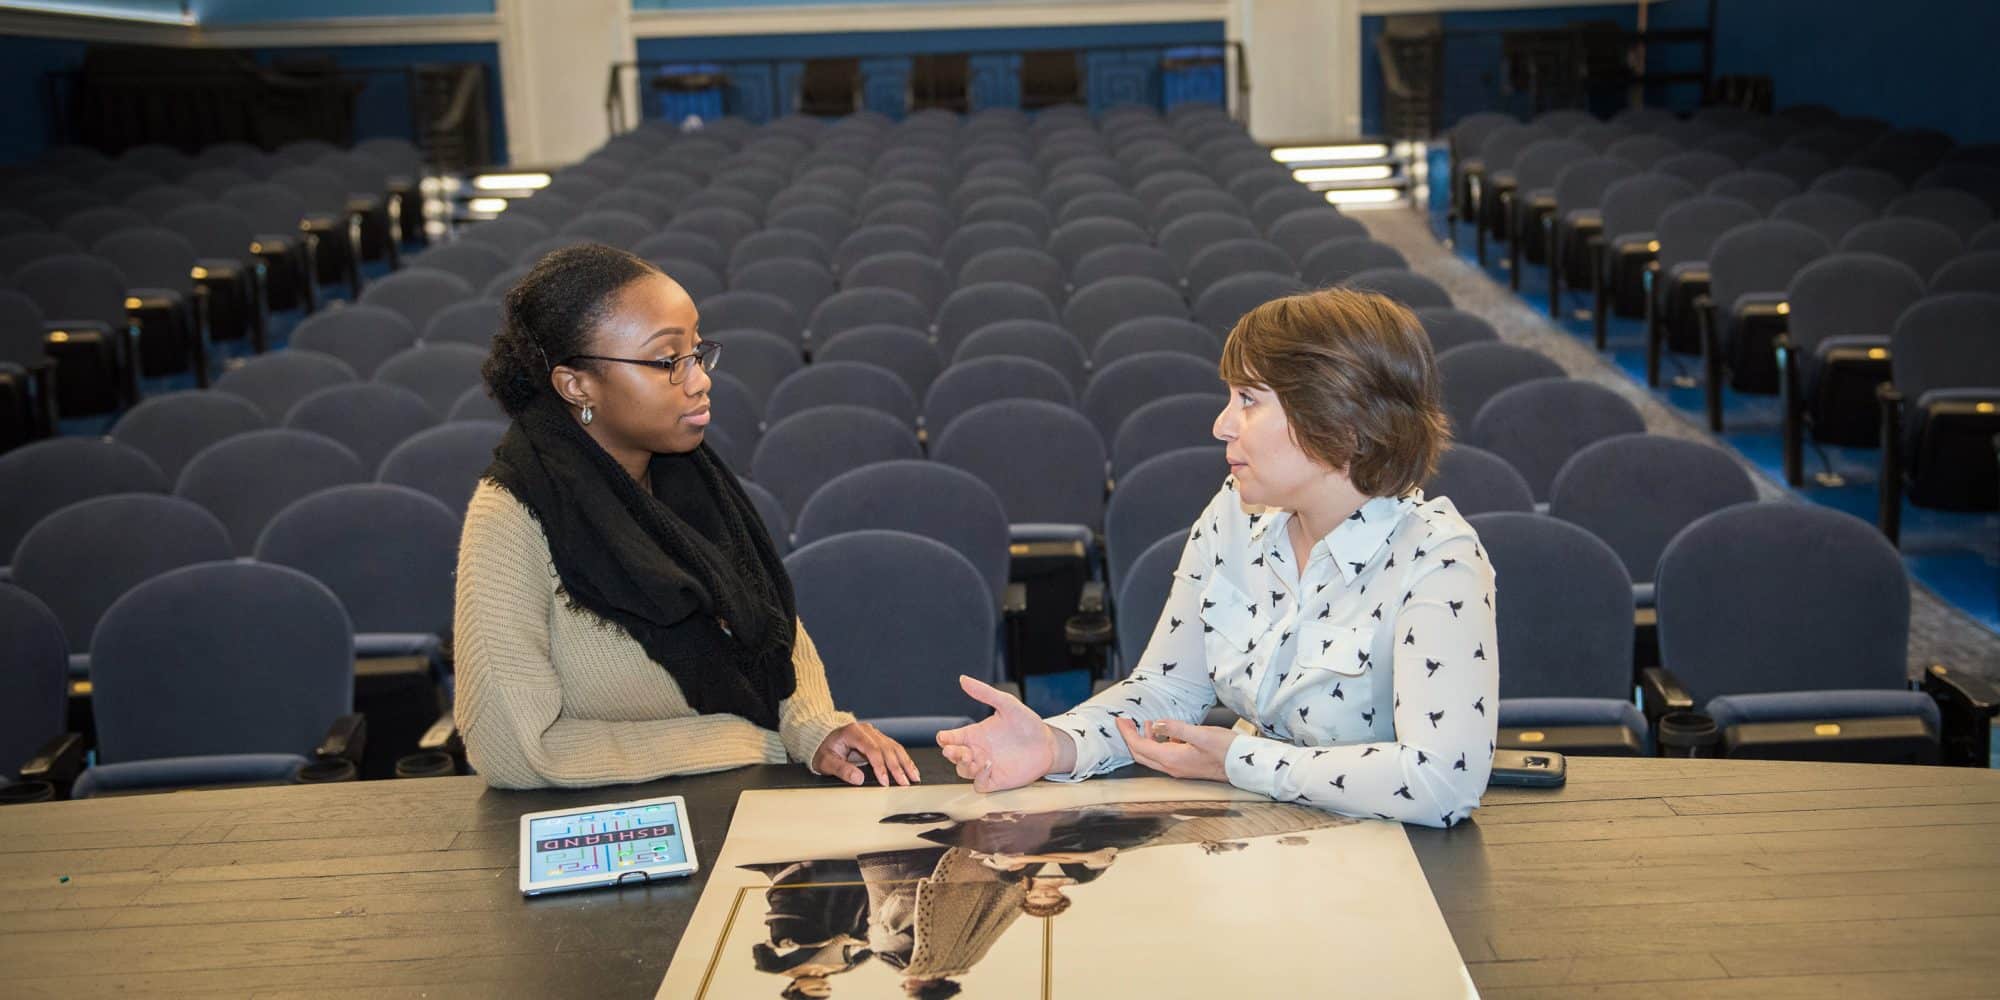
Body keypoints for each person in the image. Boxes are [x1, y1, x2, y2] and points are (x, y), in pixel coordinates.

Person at [936, 288, 1498, 828]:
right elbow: (1168, 690)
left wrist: (1239, 762)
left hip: (1393, 874)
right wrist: (1055, 744)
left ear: (1339, 419)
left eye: (1248, 401)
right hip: (1260, 844)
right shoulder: (1236, 511)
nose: (1221, 424)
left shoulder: (1437, 558)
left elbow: (1443, 781)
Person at [454, 243, 918, 789]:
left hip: (739, 797)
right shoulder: (512, 516)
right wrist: (755, 742)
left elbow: (773, 631)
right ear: (576, 385)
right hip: (606, 833)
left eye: (697, 352)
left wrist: (814, 730)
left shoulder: (691, 477)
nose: (699, 379)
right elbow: (514, 750)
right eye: (667, 361)